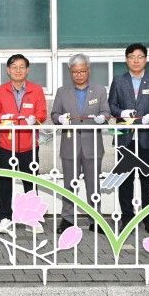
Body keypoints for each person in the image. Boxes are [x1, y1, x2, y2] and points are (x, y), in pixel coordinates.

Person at [108, 43, 149, 233]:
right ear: (126, 60)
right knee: (125, 180)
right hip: (125, 138)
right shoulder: (118, 81)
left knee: (148, 180)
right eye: (132, 57)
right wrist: (121, 113)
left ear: (146, 59)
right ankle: (127, 218)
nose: (136, 60)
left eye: (140, 57)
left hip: (147, 137)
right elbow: (111, 106)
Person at [50, 54, 109, 234]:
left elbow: (106, 112)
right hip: (70, 144)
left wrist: (102, 118)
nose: (79, 75)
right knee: (69, 184)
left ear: (88, 70)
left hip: (93, 144)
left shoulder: (99, 90)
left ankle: (96, 218)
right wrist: (59, 119)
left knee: (93, 185)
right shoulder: (62, 91)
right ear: (70, 72)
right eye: (75, 72)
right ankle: (67, 219)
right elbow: (54, 114)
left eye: (82, 71)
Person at [0, 54, 46, 234]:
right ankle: (4, 218)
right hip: (7, 144)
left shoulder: (36, 90)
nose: (18, 70)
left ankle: (32, 218)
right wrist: (4, 118)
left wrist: (34, 118)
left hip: (29, 144)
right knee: (6, 182)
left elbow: (42, 113)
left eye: (22, 67)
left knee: (31, 182)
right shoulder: (0, 91)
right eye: (14, 67)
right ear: (8, 70)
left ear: (27, 70)